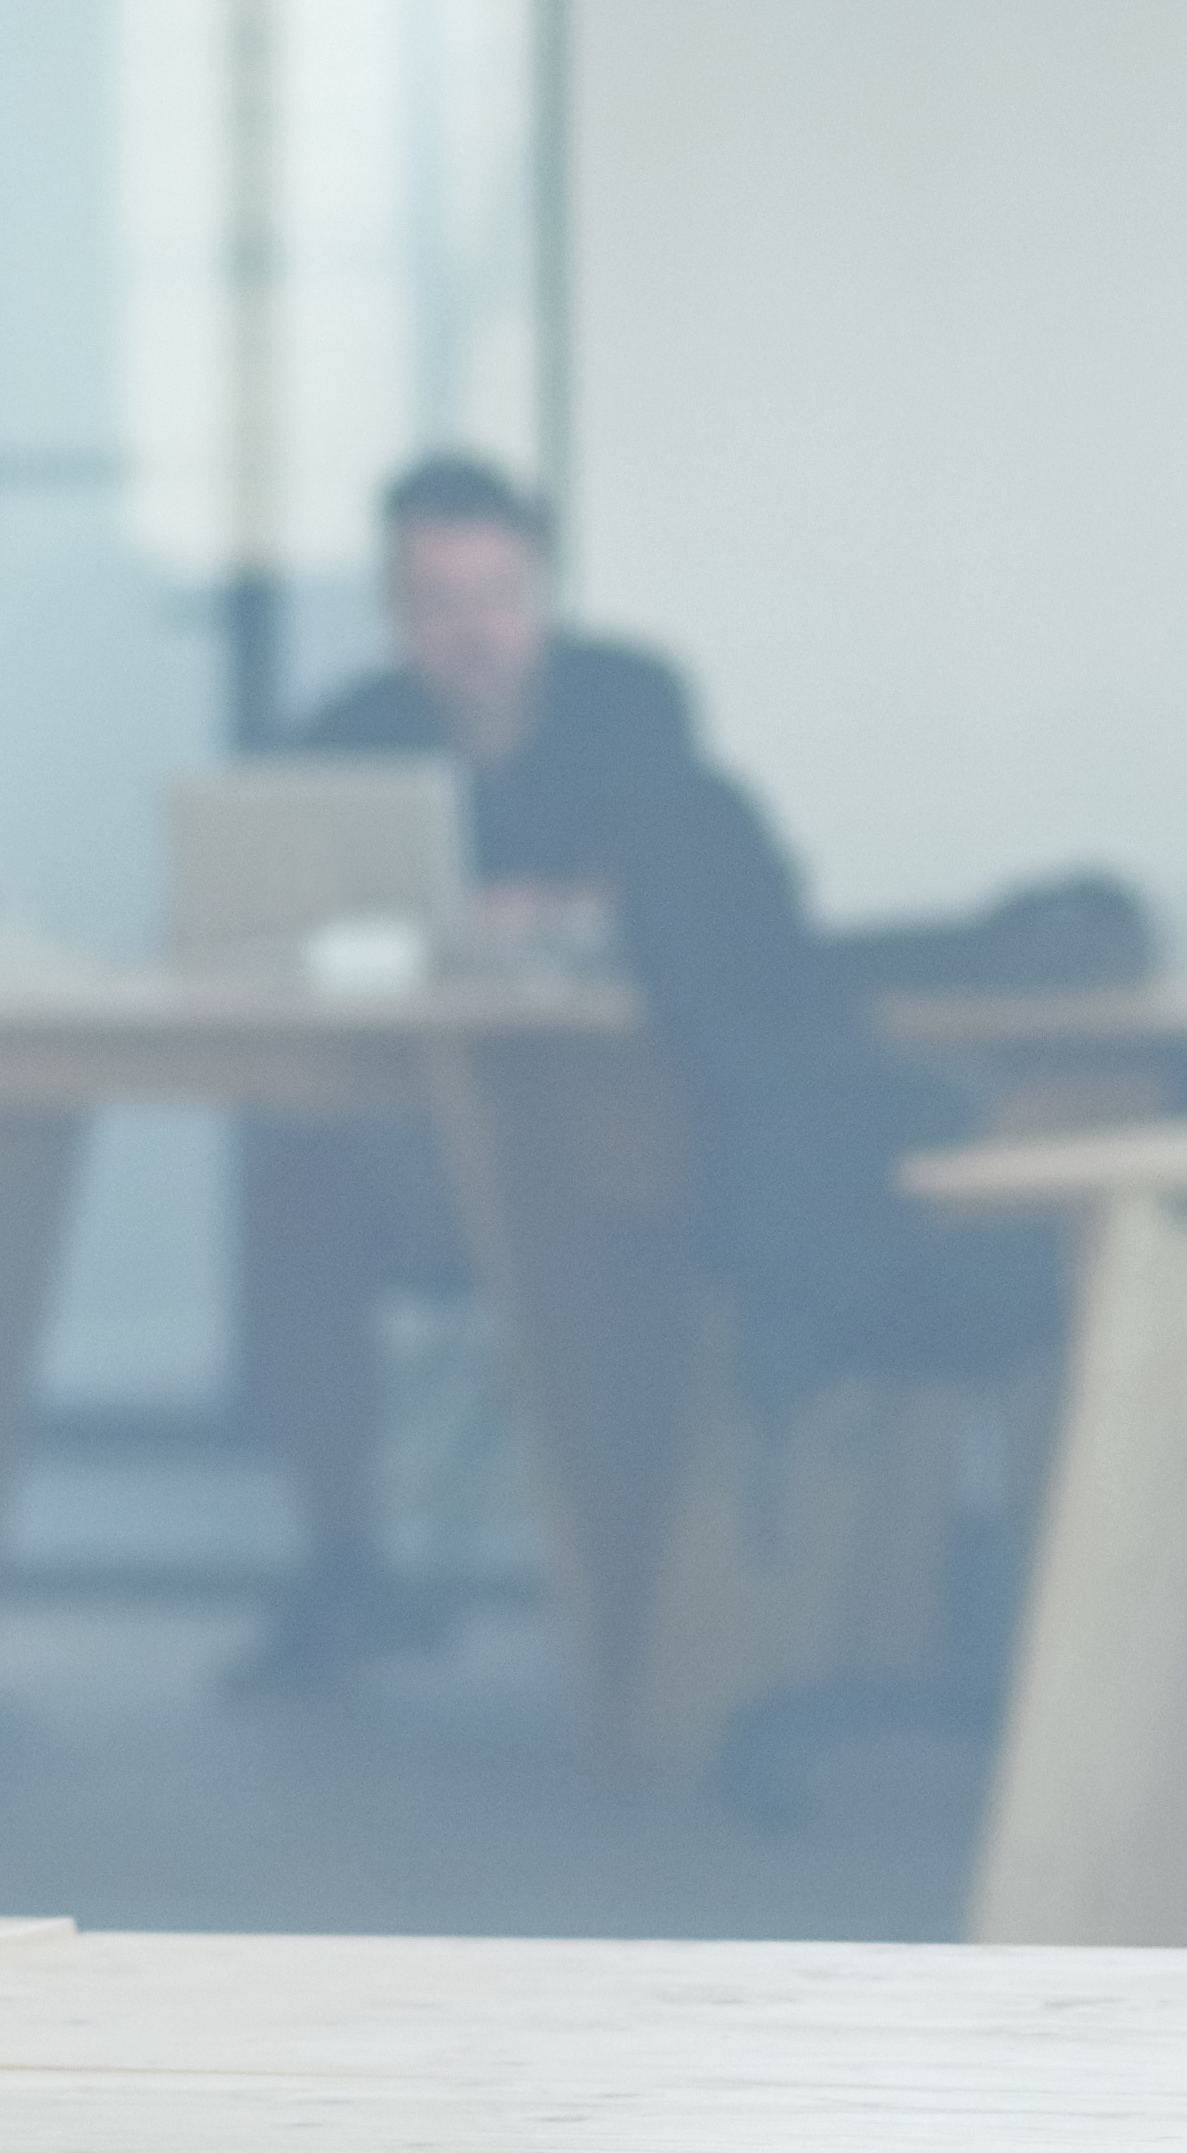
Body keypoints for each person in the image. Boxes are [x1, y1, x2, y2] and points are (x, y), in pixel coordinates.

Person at [245, 456, 1044, 1674]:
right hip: (429, 1139)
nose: (476, 633)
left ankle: (662, 1619)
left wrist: (548, 912)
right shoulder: (352, 735)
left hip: (634, 1131)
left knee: (635, 1228)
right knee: (299, 1191)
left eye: (500, 594)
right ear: (396, 615)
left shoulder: (627, 702)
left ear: (545, 591)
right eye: (439, 603)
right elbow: (274, 916)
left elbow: (681, 881)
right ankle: (343, 1557)